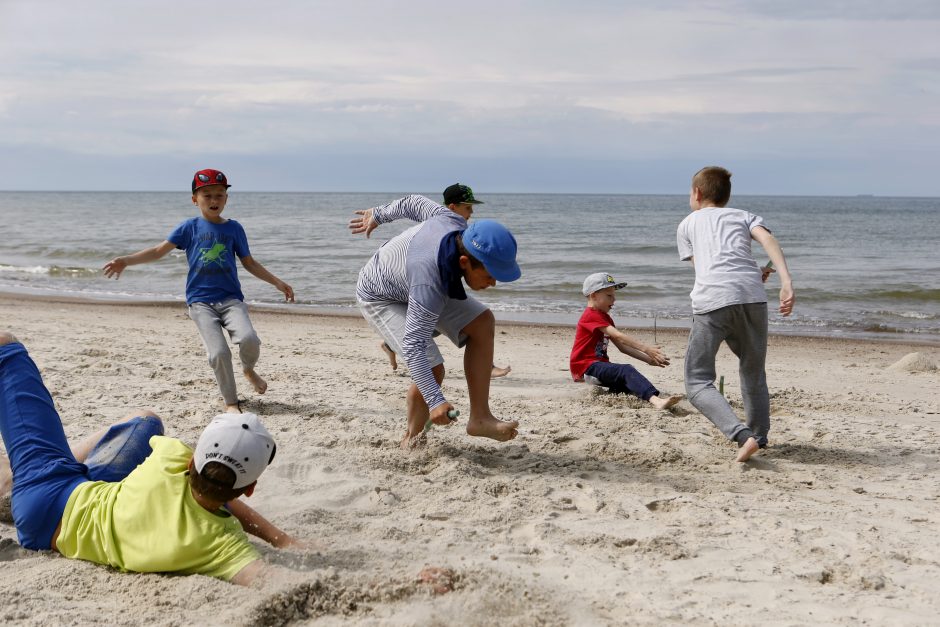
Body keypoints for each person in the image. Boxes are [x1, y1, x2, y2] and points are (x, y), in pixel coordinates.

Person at [0, 331, 301, 585]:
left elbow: (203, 474)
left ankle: (17, 474)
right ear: (249, 489)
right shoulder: (224, 545)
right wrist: (282, 541)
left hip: (48, 491)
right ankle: (20, 475)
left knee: (7, 346)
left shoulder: (171, 456)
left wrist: (280, 538)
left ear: (191, 462)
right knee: (140, 427)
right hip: (45, 530)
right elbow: (266, 578)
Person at [103, 169, 294, 413]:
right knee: (218, 353)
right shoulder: (188, 228)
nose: (214, 201)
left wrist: (278, 282)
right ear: (195, 199)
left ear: (226, 198)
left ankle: (248, 369)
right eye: (207, 196)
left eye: (219, 195)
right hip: (200, 303)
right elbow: (158, 251)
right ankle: (231, 403)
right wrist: (126, 261)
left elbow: (249, 263)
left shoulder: (234, 229)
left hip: (231, 300)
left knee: (249, 339)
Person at [349, 191, 522, 449]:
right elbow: (414, 345)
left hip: (413, 282)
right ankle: (412, 440)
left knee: (482, 322)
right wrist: (435, 399)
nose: (494, 282)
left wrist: (378, 214)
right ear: (465, 261)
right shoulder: (429, 283)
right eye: (490, 275)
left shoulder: (453, 222)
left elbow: (412, 202)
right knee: (432, 368)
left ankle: (480, 419)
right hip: (381, 296)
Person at [677, 166, 795, 462]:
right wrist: (785, 281)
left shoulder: (687, 224)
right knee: (753, 371)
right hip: (752, 298)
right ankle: (760, 437)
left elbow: (706, 268)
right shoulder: (743, 215)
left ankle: (744, 436)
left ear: (697, 193)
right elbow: (768, 241)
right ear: (727, 196)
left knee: (697, 381)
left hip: (713, 302)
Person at [367, 184, 511, 379]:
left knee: (473, 319)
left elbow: (412, 203)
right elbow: (411, 203)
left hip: (418, 282)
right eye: (467, 207)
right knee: (431, 331)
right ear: (452, 207)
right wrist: (379, 216)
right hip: (402, 284)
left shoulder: (463, 232)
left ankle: (390, 344)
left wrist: (377, 215)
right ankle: (393, 344)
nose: (471, 212)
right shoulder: (443, 218)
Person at [570, 273, 683, 410]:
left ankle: (646, 398)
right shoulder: (590, 315)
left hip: (598, 366)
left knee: (626, 384)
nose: (614, 300)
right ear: (593, 295)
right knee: (626, 370)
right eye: (609, 296)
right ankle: (657, 401)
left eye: (614, 295)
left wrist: (648, 360)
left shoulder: (605, 318)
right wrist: (646, 349)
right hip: (586, 366)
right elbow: (618, 336)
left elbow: (622, 347)